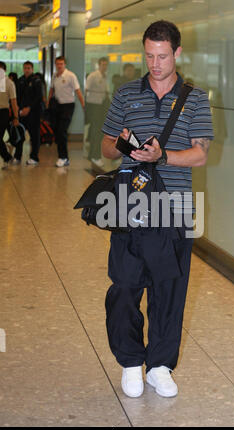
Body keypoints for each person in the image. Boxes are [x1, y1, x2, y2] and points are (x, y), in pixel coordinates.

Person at [101, 20, 214, 398]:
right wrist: (123, 145)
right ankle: (132, 362)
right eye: (149, 55)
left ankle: (160, 366)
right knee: (125, 285)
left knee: (170, 289)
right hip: (130, 203)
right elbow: (104, 147)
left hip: (176, 206)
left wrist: (162, 155)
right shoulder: (125, 94)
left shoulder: (195, 98)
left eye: (162, 56)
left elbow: (200, 154)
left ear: (177, 53)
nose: (155, 63)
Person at [47, 56, 85, 167]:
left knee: (61, 131)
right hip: (56, 106)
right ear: (55, 64)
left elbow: (78, 91)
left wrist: (83, 106)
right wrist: (48, 103)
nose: (59, 66)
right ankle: (64, 157)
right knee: (57, 131)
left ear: (65, 64)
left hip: (68, 106)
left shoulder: (71, 76)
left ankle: (63, 157)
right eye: (57, 64)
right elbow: (51, 89)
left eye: (61, 64)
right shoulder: (54, 75)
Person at [16, 61, 43, 165]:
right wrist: (19, 109)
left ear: (32, 69)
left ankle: (34, 157)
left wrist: (29, 108)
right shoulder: (20, 80)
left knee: (34, 136)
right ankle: (17, 156)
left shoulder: (36, 81)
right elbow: (17, 97)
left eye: (28, 68)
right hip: (22, 113)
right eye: (25, 68)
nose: (26, 70)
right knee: (20, 135)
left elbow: (38, 97)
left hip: (33, 113)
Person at [85, 57, 110, 168]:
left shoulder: (105, 77)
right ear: (98, 65)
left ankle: (92, 155)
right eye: (102, 64)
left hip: (102, 106)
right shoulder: (93, 76)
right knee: (96, 132)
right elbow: (86, 90)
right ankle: (96, 156)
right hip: (94, 106)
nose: (104, 67)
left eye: (106, 65)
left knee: (99, 131)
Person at [0, 62, 19, 168]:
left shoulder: (9, 83)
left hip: (3, 112)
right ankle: (7, 157)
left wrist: (16, 117)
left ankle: (7, 157)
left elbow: (13, 101)